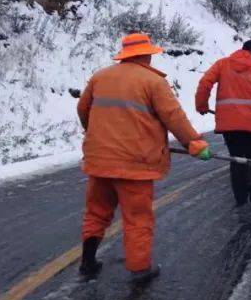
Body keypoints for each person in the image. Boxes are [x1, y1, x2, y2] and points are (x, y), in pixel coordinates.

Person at [76, 32, 211, 283]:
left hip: (100, 160)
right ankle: (139, 269)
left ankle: (88, 262)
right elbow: (174, 118)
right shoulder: (153, 82)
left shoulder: (100, 77)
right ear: (146, 55)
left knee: (96, 212)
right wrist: (194, 143)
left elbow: (83, 110)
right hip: (135, 164)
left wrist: (95, 133)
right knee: (137, 217)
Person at [195, 39, 251, 207]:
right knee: (250, 158)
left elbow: (205, 83)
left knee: (236, 159)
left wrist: (201, 105)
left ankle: (240, 199)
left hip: (229, 125)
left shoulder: (222, 64)